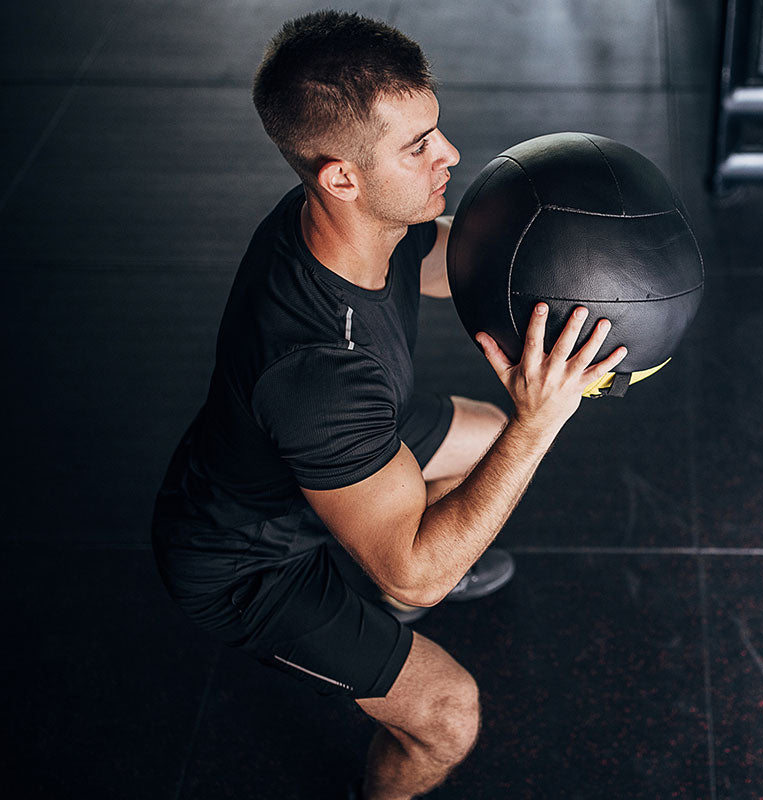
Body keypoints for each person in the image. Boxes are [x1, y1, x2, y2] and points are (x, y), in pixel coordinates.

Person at [151, 10, 626, 799]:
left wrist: (559, 256)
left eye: (434, 129)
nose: (450, 154)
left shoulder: (346, 220)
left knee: (486, 441)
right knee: (446, 711)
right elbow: (414, 575)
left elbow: (446, 256)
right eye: (419, 147)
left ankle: (367, 572)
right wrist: (543, 422)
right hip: (248, 562)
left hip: (344, 436)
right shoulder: (317, 372)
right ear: (341, 173)